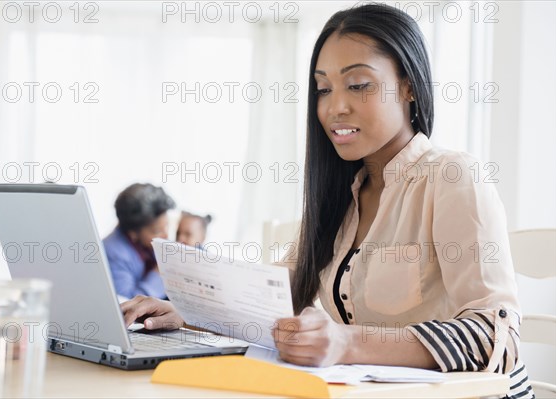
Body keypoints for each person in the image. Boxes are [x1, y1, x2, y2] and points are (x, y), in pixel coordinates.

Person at [120, 4, 532, 397]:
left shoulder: (452, 177)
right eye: (323, 88)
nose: (334, 107)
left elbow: (495, 336)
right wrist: (188, 312)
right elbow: (275, 295)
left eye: (358, 85)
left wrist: (348, 343)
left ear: (408, 86)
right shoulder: (342, 194)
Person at [103, 183, 175, 299]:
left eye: (166, 226)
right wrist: (161, 272)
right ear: (133, 233)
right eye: (157, 231)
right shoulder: (112, 254)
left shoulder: (153, 242)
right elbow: (127, 304)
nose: (166, 235)